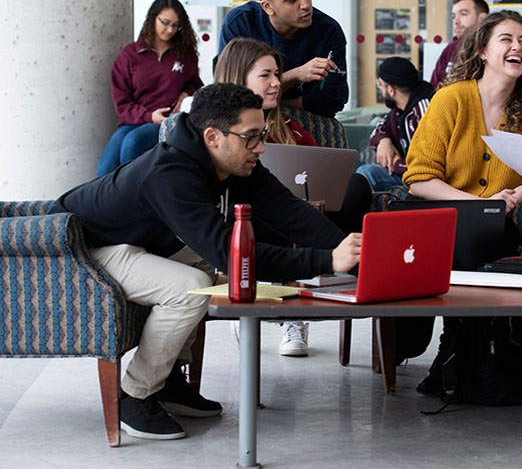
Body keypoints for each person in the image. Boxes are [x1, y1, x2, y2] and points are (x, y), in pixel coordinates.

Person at [49, 83, 361, 440]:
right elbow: (232, 255)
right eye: (251, 137)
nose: (260, 147)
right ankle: (135, 395)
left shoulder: (234, 162)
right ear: (213, 136)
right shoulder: (170, 175)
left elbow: (288, 210)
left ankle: (166, 382)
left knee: (197, 262)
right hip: (81, 252)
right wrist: (327, 260)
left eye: (261, 135)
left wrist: (347, 249)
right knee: (190, 288)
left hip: (132, 243)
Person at [402, 10, 522, 386]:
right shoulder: (451, 100)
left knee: (496, 237)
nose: (518, 47)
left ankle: (467, 355)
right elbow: (418, 178)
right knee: (464, 246)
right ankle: (454, 351)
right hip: (438, 219)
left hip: (494, 227)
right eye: (507, 39)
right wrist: (478, 204)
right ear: (482, 50)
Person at [213, 38, 371, 356]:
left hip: (304, 217)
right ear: (238, 79)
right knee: (259, 207)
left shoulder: (291, 127)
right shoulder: (219, 133)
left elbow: (320, 169)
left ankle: (319, 288)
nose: (277, 83)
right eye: (266, 76)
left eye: (277, 74)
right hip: (250, 221)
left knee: (357, 185)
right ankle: (273, 297)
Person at [219, 0, 348, 118]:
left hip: (308, 125)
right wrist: (295, 75)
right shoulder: (239, 24)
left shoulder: (328, 30)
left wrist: (269, 99)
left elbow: (332, 101)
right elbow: (229, 93)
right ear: (267, 7)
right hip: (244, 121)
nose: (306, 4)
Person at [97, 0, 202, 177]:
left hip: (166, 121)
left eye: (175, 25)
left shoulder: (185, 54)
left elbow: (196, 84)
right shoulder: (130, 55)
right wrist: (148, 115)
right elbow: (122, 103)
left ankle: (129, 197)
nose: (170, 30)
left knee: (133, 143)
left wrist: (186, 93)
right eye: (165, 22)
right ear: (152, 18)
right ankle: (98, 203)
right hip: (133, 121)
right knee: (105, 168)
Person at [356, 58, 434, 192]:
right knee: (362, 176)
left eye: (380, 84)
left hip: (425, 180)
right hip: (407, 173)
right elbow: (377, 130)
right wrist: (383, 141)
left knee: (366, 174)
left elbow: (427, 164)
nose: (380, 89)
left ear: (391, 90)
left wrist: (396, 164)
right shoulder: (398, 110)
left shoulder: (423, 112)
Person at [430, 0, 489, 88]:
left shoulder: (492, 48)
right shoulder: (451, 49)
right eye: (453, 16)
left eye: (463, 14)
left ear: (482, 18)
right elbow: (434, 87)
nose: (456, 21)